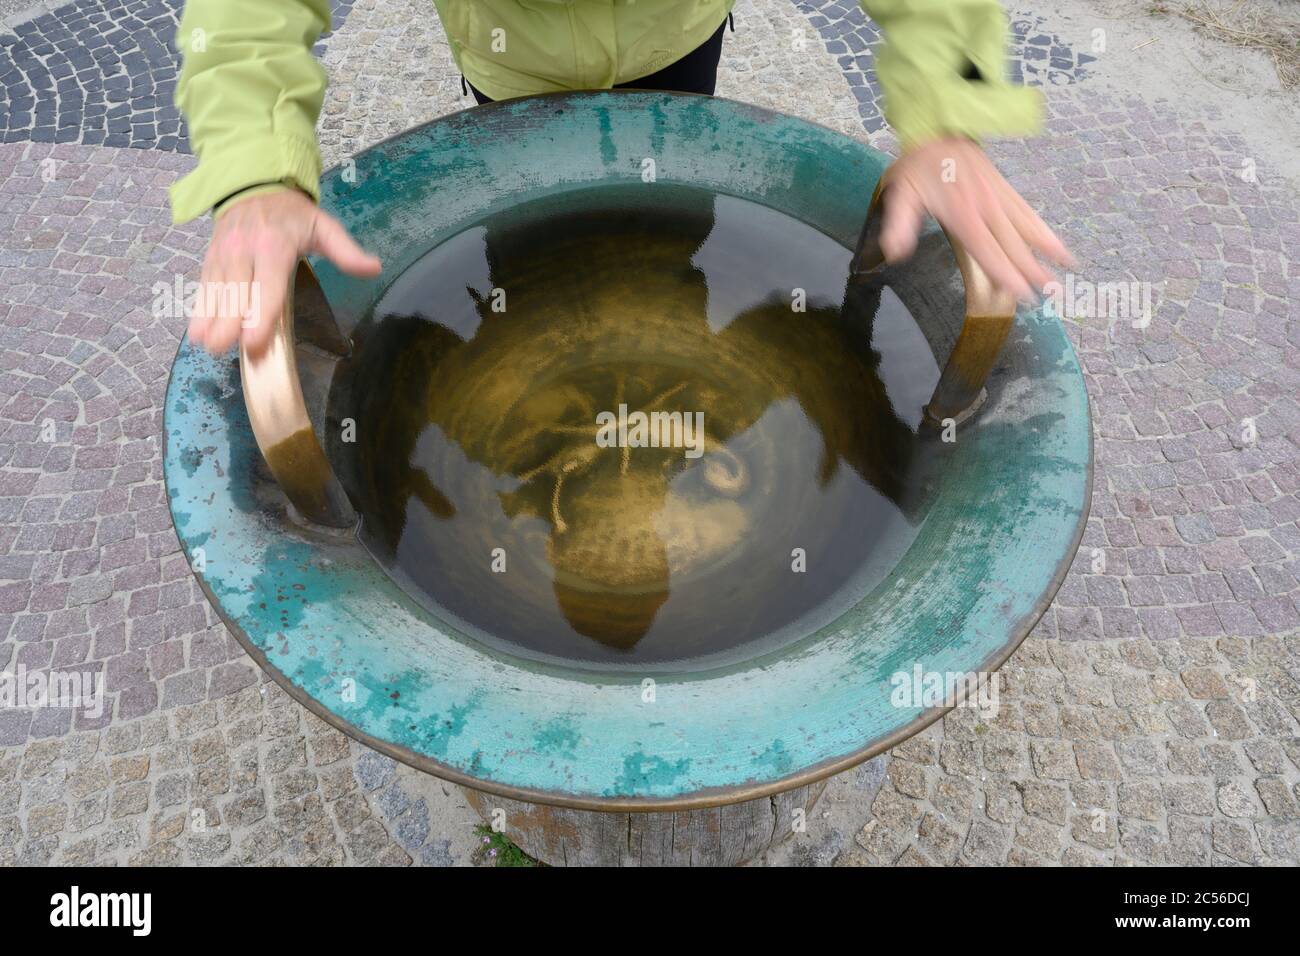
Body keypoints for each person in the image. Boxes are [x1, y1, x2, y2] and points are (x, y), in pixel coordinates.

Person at [171, 0, 1073, 355]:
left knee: (670, 239)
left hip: (674, 29)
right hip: (511, 56)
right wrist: (255, 168)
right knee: (521, 260)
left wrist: (947, 110)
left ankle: (667, 318)